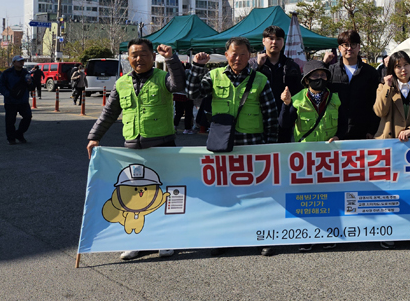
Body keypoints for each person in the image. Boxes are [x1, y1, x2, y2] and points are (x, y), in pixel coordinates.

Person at [86, 39, 185, 261]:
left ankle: (165, 239)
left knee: (164, 195)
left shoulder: (163, 78)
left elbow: (179, 85)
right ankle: (136, 240)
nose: (138, 59)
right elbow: (109, 113)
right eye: (134, 55)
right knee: (133, 197)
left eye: (143, 54)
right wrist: (94, 137)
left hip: (163, 146)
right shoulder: (122, 83)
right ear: (128, 58)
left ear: (152, 56)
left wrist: (171, 58)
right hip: (132, 149)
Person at [187, 37, 279, 258]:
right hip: (223, 146)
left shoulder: (261, 79)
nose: (238, 58)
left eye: (243, 54)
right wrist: (198, 67)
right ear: (226, 54)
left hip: (253, 146)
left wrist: (270, 147)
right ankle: (223, 238)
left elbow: (271, 116)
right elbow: (192, 93)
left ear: (250, 56)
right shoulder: (214, 75)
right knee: (224, 193)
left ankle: (262, 237)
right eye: (233, 53)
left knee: (257, 193)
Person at [280, 60, 340, 253]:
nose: (319, 79)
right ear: (306, 80)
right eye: (315, 76)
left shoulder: (336, 99)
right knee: (305, 198)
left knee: (328, 196)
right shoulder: (296, 99)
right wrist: (286, 104)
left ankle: (329, 233)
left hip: (329, 158)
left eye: (323, 75)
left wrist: (340, 136)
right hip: (304, 159)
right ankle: (305, 234)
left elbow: (345, 123)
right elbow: (284, 124)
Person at [323, 30, 380, 140]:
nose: (349, 48)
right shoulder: (330, 71)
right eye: (345, 45)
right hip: (335, 132)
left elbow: (375, 102)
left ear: (359, 47)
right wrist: (324, 64)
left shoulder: (370, 72)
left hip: (363, 131)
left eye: (353, 45)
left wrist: (372, 129)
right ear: (340, 48)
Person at [251, 25, 303, 143]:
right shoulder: (252, 64)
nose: (274, 42)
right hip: (258, 117)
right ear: (263, 41)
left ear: (283, 42)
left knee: (282, 154)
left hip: (284, 118)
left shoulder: (291, 66)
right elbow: (245, 85)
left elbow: (299, 93)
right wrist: (257, 67)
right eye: (271, 38)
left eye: (278, 39)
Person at [373, 51, 410, 140]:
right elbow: (380, 112)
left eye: (406, 64)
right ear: (392, 69)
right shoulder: (383, 87)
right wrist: (387, 87)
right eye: (398, 66)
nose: (403, 69)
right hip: (388, 141)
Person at [0, 55, 33, 144]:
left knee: (27, 117)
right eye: (19, 61)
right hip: (11, 101)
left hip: (23, 100)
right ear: (14, 63)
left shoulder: (26, 73)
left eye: (22, 61)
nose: (21, 63)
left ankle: (19, 134)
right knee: (10, 121)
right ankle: (11, 138)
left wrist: (30, 83)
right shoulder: (7, 73)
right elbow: (1, 85)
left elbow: (31, 86)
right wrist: (7, 94)